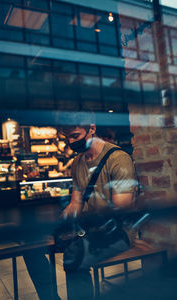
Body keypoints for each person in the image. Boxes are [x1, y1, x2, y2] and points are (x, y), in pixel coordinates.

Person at [60, 121, 137, 300]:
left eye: (75, 136)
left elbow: (121, 208)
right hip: (91, 229)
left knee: (74, 258)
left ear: (92, 129)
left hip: (120, 232)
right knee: (36, 247)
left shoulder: (118, 158)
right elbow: (75, 203)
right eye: (67, 138)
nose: (71, 142)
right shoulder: (77, 162)